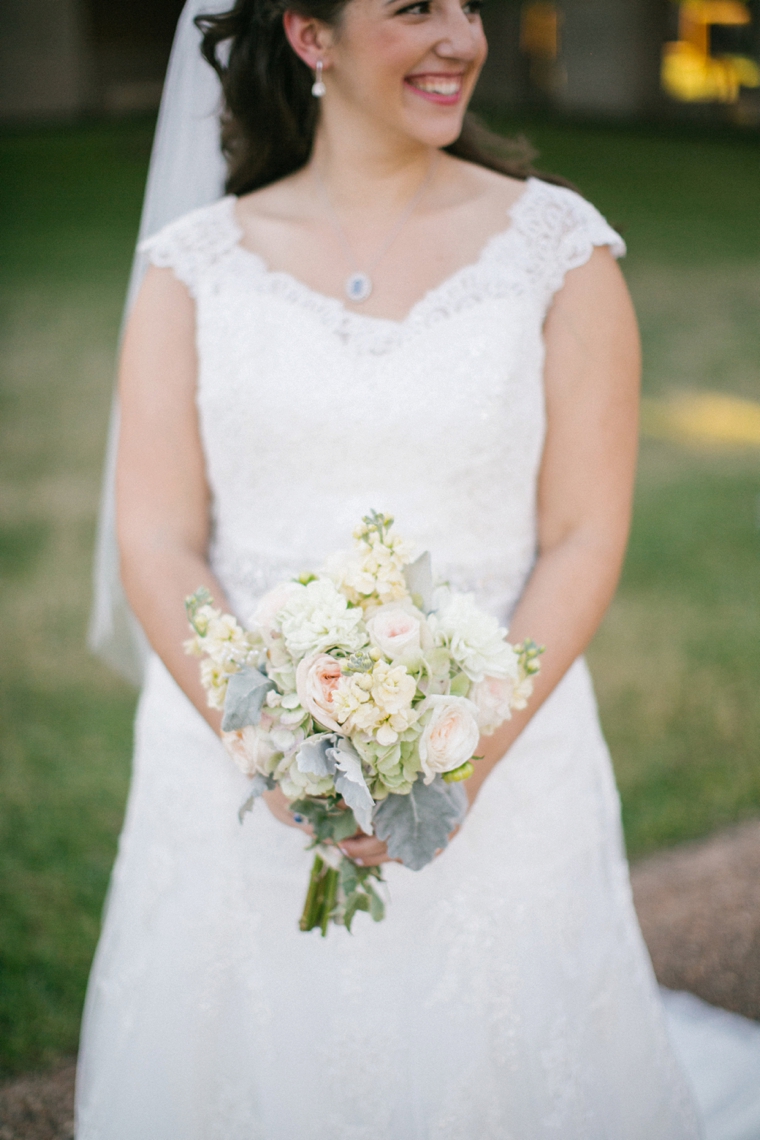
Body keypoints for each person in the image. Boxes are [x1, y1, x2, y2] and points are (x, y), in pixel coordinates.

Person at [76, 1, 706, 1136]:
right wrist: (266, 740)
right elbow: (156, 537)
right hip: (229, 764)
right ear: (310, 34)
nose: (460, 36)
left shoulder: (558, 252)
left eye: (467, 4)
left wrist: (459, 763)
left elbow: (583, 535)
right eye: (414, 7)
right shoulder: (190, 269)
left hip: (507, 754)